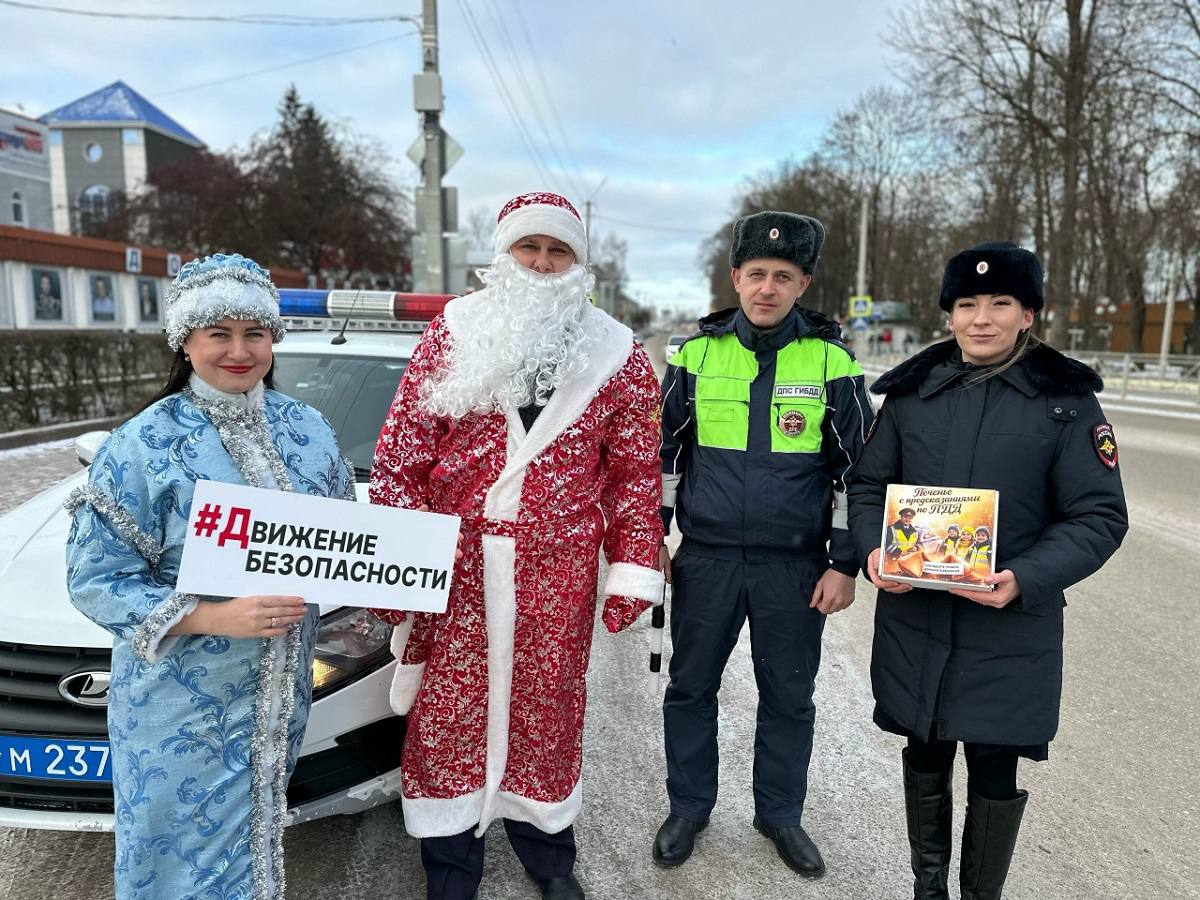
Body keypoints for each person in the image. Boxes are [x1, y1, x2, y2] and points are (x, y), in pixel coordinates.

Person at [369, 191, 664, 900]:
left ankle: (549, 854)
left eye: (558, 250)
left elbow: (633, 472)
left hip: (555, 570)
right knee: (450, 716)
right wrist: (393, 565)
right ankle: (450, 865)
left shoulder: (617, 354)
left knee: (547, 710)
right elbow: (403, 452)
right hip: (456, 565)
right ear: (502, 255)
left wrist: (632, 566)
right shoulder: (453, 332)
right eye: (528, 247)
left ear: (577, 262)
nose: (542, 262)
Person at [65, 253, 356, 900]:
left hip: (278, 694)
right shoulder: (143, 442)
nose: (239, 351)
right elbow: (95, 578)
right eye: (218, 333)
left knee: (254, 842)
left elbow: (342, 540)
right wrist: (213, 615)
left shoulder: (307, 430)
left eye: (254, 333)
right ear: (185, 340)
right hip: (178, 702)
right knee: (174, 858)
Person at [847, 241, 1128, 900]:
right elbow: (868, 487)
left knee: (995, 767)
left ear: (1027, 314)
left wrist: (1025, 577)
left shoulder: (1066, 402)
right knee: (924, 752)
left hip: (1009, 627)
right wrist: (873, 552)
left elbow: (1098, 516)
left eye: (1001, 303)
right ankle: (928, 888)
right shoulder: (912, 396)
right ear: (949, 314)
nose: (981, 318)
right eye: (967, 304)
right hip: (918, 618)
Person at [654, 211, 872, 879]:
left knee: (788, 696)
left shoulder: (832, 362)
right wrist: (652, 537)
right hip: (708, 560)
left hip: (794, 567)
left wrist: (844, 563)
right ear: (736, 278)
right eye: (757, 274)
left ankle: (779, 814)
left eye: (783, 276)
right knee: (690, 689)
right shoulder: (695, 356)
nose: (768, 287)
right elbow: (661, 458)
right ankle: (689, 807)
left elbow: (857, 472)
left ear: (803, 284)